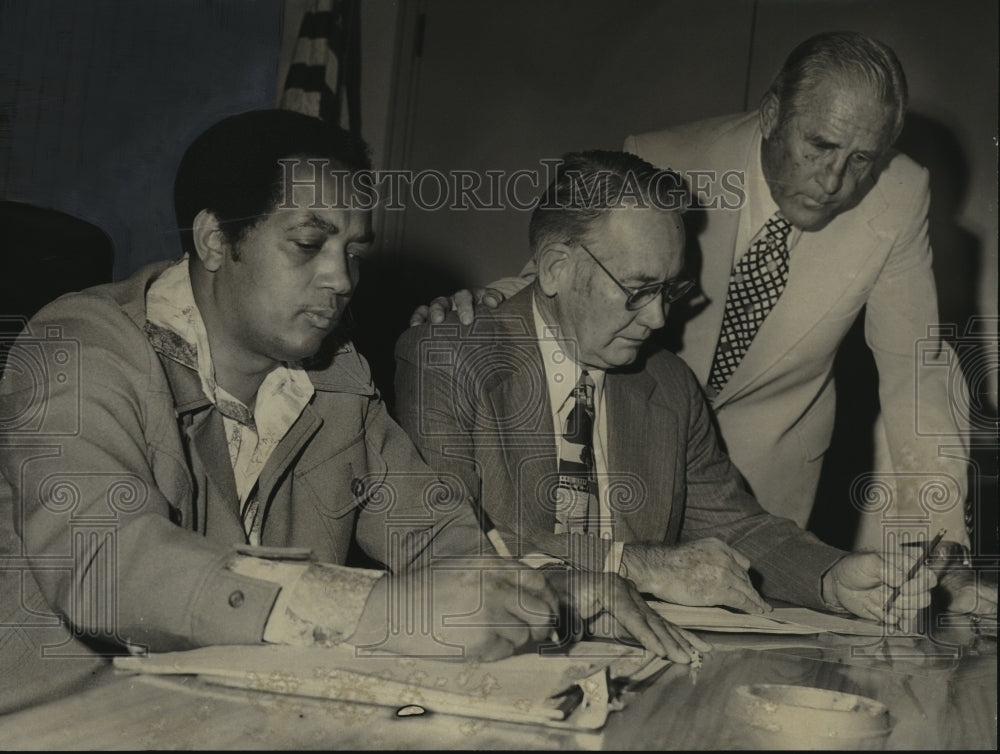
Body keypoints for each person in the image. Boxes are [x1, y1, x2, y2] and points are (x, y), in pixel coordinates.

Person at [0, 110, 700, 684]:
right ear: (215, 240)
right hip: (64, 715)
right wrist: (376, 608)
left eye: (354, 253)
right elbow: (105, 564)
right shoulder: (77, 350)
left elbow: (434, 535)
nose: (340, 279)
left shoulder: (334, 378)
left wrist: (554, 590)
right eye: (309, 245)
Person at [412, 32, 994, 616]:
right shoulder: (671, 159)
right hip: (619, 406)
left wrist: (938, 558)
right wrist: (483, 309)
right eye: (819, 146)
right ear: (772, 115)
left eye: (861, 159)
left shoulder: (898, 194)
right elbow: (582, 256)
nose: (834, 180)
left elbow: (917, 376)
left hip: (752, 463)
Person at [396, 150, 938, 627]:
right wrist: (636, 564)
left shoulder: (669, 384)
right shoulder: (447, 358)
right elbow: (445, 547)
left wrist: (832, 577)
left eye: (669, 289)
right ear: (557, 268)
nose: (658, 318)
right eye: (638, 289)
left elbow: (738, 528)